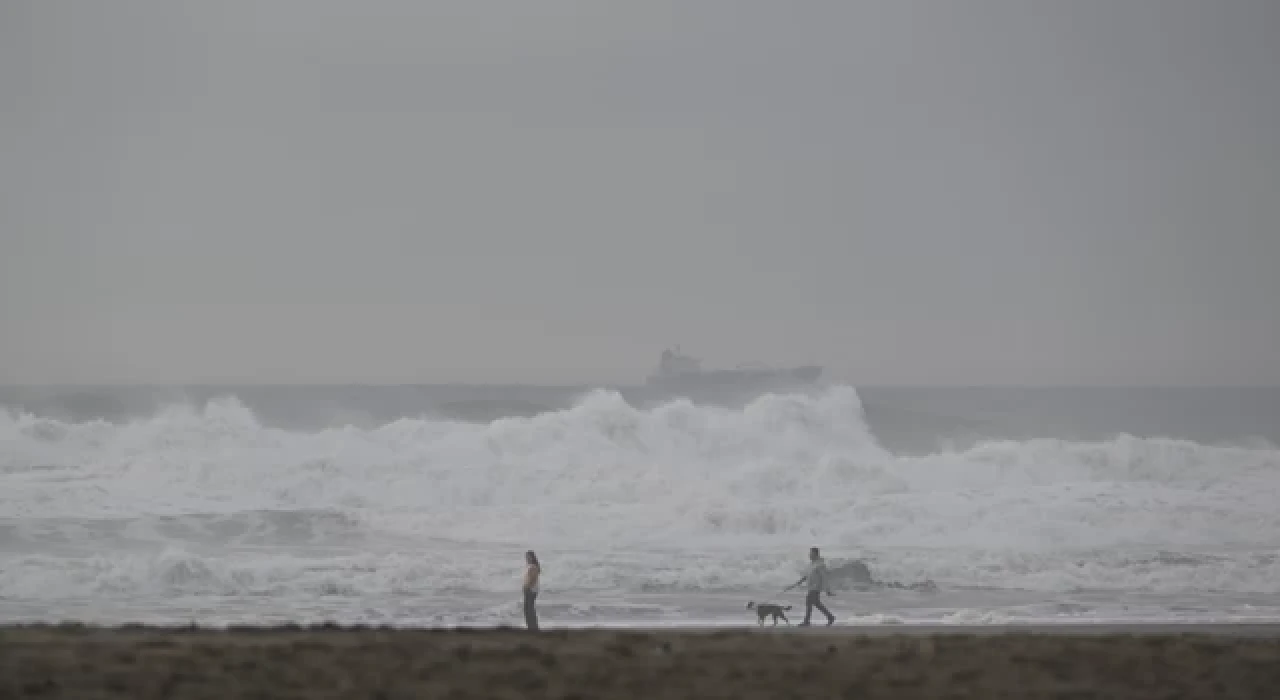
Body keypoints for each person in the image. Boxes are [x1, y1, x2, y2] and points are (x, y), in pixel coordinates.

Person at [787, 546, 835, 626]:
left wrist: (827, 590)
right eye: (809, 553)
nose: (809, 555)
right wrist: (800, 581)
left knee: (809, 602)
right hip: (811, 587)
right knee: (816, 603)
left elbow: (825, 577)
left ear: (816, 554)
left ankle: (807, 621)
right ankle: (830, 617)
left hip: (816, 587)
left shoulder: (820, 565)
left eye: (811, 553)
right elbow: (808, 575)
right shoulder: (812, 564)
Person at [522, 550, 541, 631]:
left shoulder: (533, 567)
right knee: (528, 609)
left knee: (529, 610)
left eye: (529, 557)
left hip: (531, 590)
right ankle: (531, 626)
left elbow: (533, 579)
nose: (527, 558)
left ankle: (533, 627)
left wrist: (527, 587)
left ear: (533, 557)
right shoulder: (531, 566)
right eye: (526, 557)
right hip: (530, 590)